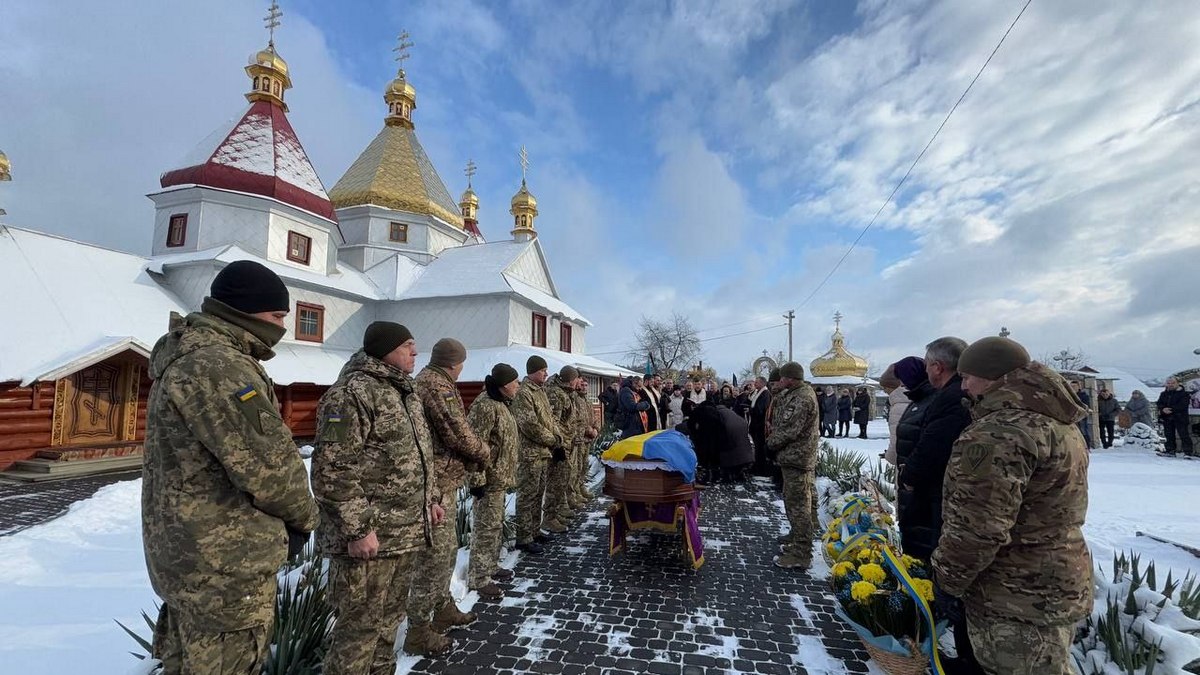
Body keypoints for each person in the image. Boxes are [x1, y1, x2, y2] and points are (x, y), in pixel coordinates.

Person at [143, 261, 320, 675]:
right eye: (277, 316)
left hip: (193, 560)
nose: (282, 327)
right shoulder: (219, 368)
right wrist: (305, 519)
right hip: (224, 568)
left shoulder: (188, 357)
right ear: (243, 310)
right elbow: (270, 466)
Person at [934, 336, 1092, 675]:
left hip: (1014, 591)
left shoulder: (1000, 432)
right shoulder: (1055, 422)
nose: (963, 387)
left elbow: (978, 525)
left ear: (993, 377)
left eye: (967, 377)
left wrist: (948, 579)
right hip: (1055, 578)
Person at [312, 321, 450, 666]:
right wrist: (357, 530)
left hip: (402, 535)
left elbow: (418, 454)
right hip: (368, 542)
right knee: (357, 634)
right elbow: (332, 469)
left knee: (388, 626)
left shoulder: (404, 392)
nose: (415, 352)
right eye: (407, 345)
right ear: (383, 349)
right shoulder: (350, 394)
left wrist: (430, 499)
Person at [408, 338, 491, 648]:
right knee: (435, 556)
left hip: (443, 481)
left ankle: (441, 609)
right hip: (436, 485)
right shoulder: (437, 385)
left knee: (446, 551)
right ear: (455, 363)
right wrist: (484, 452)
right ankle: (418, 628)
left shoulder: (430, 381)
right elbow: (457, 432)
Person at [899, 337, 972, 561]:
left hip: (936, 493)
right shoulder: (950, 394)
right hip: (937, 491)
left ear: (938, 367)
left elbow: (933, 446)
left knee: (927, 553)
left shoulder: (951, 397)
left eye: (927, 365)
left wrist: (909, 476)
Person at [466, 363, 521, 600]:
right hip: (488, 480)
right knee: (485, 529)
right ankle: (478, 577)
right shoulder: (485, 406)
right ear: (504, 385)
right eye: (515, 382)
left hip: (498, 478)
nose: (518, 386)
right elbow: (476, 446)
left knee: (495, 525)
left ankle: (490, 567)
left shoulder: (501, 403)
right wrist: (477, 480)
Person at [767, 362, 820, 570]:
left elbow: (789, 429)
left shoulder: (803, 397)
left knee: (799, 505)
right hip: (792, 458)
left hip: (798, 458)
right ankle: (796, 537)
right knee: (792, 500)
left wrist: (770, 445)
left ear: (790, 378)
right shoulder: (795, 393)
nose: (779, 381)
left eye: (782, 378)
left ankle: (801, 553)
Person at [512, 356, 567, 554]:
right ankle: (523, 537)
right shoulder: (524, 393)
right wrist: (552, 439)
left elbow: (550, 419)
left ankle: (534, 532)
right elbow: (530, 425)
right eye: (542, 370)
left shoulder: (540, 391)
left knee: (537, 495)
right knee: (527, 496)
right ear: (533, 371)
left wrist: (558, 438)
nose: (546, 373)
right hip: (529, 454)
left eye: (546, 370)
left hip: (543, 452)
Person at [543, 366, 580, 533]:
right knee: (555, 482)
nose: (579, 382)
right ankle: (549, 518)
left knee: (563, 480)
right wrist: (560, 441)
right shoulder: (556, 394)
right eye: (577, 378)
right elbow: (553, 422)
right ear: (571, 379)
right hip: (559, 445)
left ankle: (556, 512)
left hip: (567, 442)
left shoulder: (566, 392)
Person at [570, 376, 599, 509]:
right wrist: (589, 430)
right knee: (576, 467)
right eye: (581, 384)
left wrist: (596, 428)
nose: (584, 387)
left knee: (583, 466)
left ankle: (581, 488)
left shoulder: (586, 399)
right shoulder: (574, 398)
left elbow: (593, 416)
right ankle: (573, 493)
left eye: (586, 385)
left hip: (588, 438)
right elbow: (577, 419)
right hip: (580, 437)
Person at [879, 363, 912, 467]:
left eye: (885, 387)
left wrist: (890, 456)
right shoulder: (913, 400)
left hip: (904, 462)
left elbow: (896, 438)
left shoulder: (898, 406)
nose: (884, 391)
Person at [1157, 377, 1195, 456]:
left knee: (1184, 435)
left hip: (1180, 418)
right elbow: (1159, 403)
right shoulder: (1163, 394)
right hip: (1167, 418)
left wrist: (1170, 409)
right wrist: (1163, 409)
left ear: (1178, 383)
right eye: (1169, 383)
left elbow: (1183, 405)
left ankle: (1188, 452)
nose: (1170, 385)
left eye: (1173, 383)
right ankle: (1170, 451)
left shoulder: (1184, 394)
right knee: (1169, 435)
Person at [748, 376, 772, 476]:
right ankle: (758, 466)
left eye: (757, 382)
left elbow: (760, 409)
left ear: (762, 383)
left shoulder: (765, 394)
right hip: (755, 425)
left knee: (760, 448)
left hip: (760, 425)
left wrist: (750, 410)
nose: (755, 384)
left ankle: (761, 469)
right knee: (757, 447)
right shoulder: (758, 393)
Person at [1071, 380, 1094, 449]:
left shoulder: (1083, 396)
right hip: (1072, 416)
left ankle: (1087, 446)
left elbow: (1085, 406)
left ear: (1078, 387)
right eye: (1071, 386)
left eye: (1074, 386)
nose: (1072, 388)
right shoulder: (1069, 395)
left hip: (1082, 416)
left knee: (1084, 431)